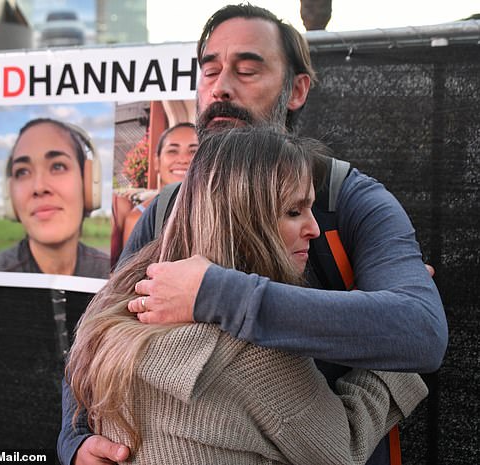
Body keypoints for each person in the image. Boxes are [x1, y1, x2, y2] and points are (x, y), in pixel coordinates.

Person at [58, 4, 447, 464]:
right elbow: (100, 328)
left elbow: (421, 330)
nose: (221, 87)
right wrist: (77, 438)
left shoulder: (352, 199)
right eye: (209, 71)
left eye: (247, 70)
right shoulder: (164, 210)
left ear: (296, 89)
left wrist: (215, 294)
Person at [66, 126, 428, 464]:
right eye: (293, 211)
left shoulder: (112, 319)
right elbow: (344, 447)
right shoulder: (256, 355)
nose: (314, 228)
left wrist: (72, 440)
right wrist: (388, 345)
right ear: (242, 218)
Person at [0, 118, 110, 278]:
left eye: (58, 166)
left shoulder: (110, 274)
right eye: (22, 172)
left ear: (88, 183)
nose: (39, 187)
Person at [121, 122, 198, 247]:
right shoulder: (138, 218)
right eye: (173, 151)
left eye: (194, 151)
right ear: (157, 162)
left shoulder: (216, 214)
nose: (183, 159)